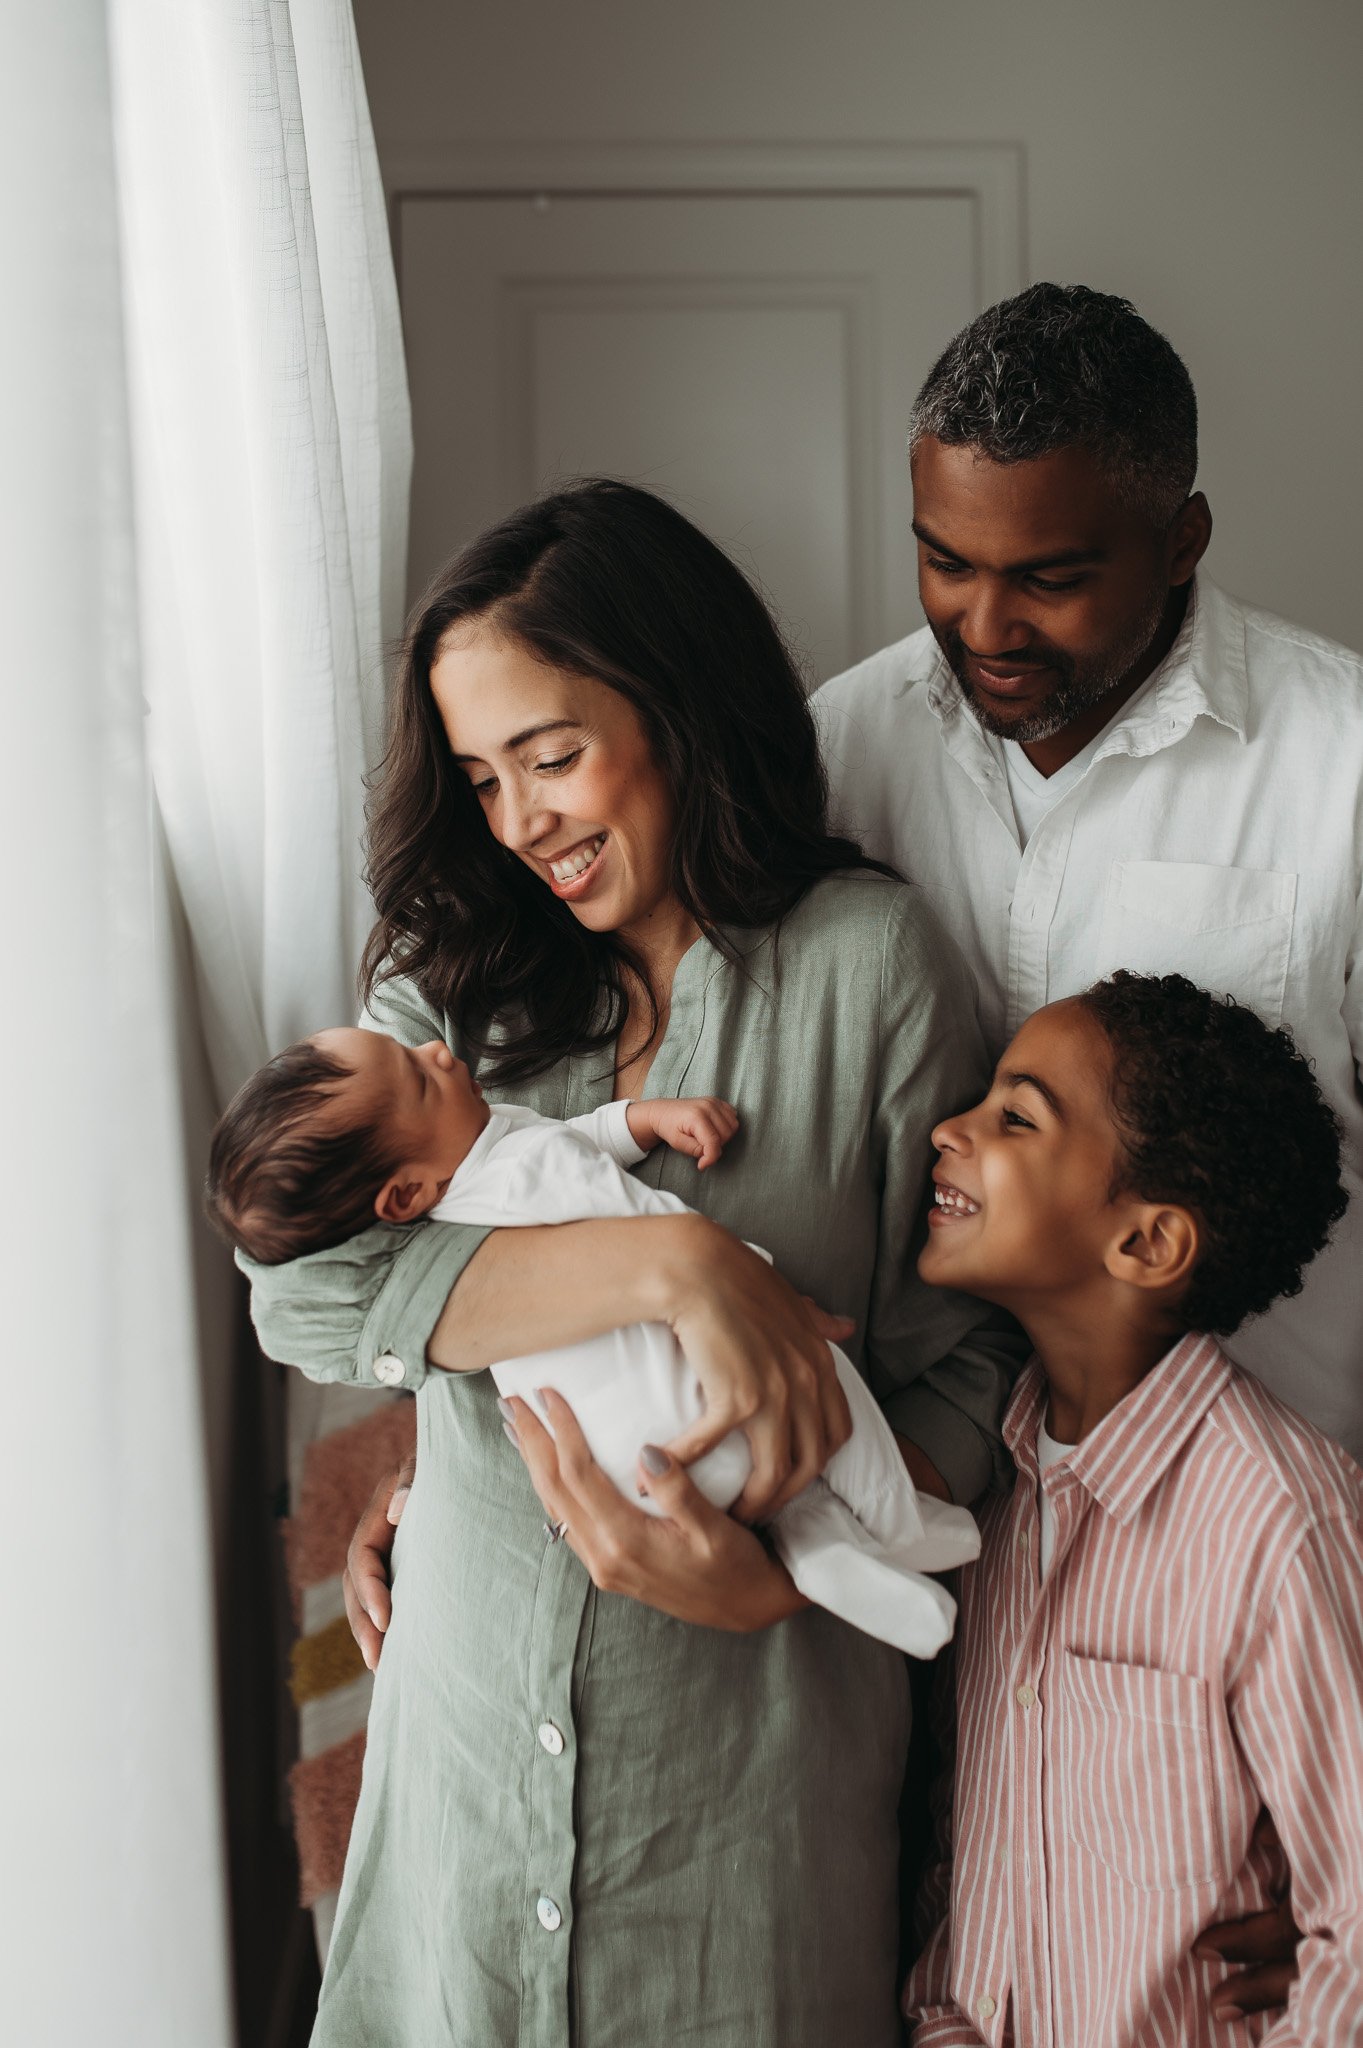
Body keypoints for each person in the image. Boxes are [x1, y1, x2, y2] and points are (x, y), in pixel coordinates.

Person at [241, 479, 1024, 2047]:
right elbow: (302, 1288)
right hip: (461, 1801)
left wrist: (784, 1575)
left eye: (552, 753)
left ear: (678, 707)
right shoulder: (442, 990)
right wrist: (678, 1277)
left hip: (746, 1795)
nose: (519, 820)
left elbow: (977, 1351)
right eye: (479, 776)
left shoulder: (871, 968)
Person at [815, 281, 1363, 1466]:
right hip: (898, 1503)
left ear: (1181, 541)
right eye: (944, 562)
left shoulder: (1344, 762)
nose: (985, 626)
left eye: (1048, 579)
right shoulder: (833, 751)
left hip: (1250, 1528)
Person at [903, 972, 1363, 2048]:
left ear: (1146, 1243)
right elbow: (964, 1877)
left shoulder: (1280, 1521)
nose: (946, 1127)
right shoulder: (993, 1498)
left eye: (1014, 1116)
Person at [209, 1031, 979, 1656]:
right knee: (819, 1378)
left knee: (780, 1495)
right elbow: (587, 1182)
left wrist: (636, 1122)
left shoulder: (458, 1176)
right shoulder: (508, 1176)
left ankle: (824, 1561)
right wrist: (713, 1266)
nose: (437, 1051)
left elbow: (561, 1139)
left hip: (621, 1462)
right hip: (677, 1391)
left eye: (413, 1049)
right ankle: (898, 1521)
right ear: (403, 1194)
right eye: (417, 1076)